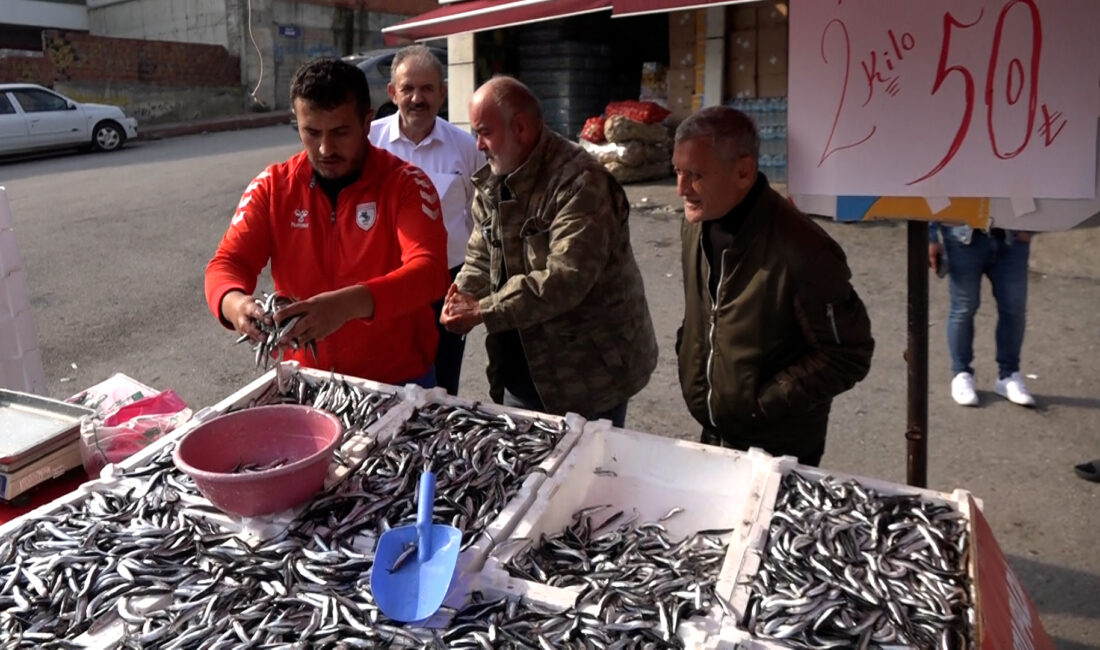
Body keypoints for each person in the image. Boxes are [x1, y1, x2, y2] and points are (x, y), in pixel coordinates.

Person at [205, 58, 450, 386]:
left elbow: (430, 273)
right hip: (307, 378)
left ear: (366, 123)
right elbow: (227, 263)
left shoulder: (406, 184)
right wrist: (234, 305)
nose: (325, 148)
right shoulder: (274, 186)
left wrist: (347, 306)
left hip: (401, 379)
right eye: (311, 132)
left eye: (340, 132)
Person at [439, 76, 658, 426]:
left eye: (484, 132)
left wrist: (482, 309)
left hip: (588, 377)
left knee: (584, 473)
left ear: (521, 128)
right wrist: (462, 292)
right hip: (523, 368)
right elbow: (482, 252)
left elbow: (566, 277)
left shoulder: (581, 182)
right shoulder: (495, 178)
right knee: (527, 465)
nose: (477, 144)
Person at [674, 106, 874, 467]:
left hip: (778, 447)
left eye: (696, 175)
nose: (681, 189)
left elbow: (848, 354)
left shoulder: (803, 249)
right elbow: (703, 309)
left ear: (743, 171)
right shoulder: (696, 224)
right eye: (678, 171)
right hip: (715, 431)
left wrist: (760, 403)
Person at [369, 45, 484, 396]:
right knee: (383, 379)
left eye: (428, 89)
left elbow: (483, 219)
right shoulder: (369, 141)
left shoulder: (467, 147)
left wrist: (473, 285)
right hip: (384, 281)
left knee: (443, 383)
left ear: (443, 93)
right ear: (393, 93)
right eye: (408, 89)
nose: (417, 98)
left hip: (445, 282)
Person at [929, 223, 1035, 407]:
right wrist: (930, 237)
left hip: (1012, 235)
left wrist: (1032, 227)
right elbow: (934, 193)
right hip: (962, 234)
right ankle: (961, 373)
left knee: (1014, 309)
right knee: (964, 307)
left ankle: (1009, 375)